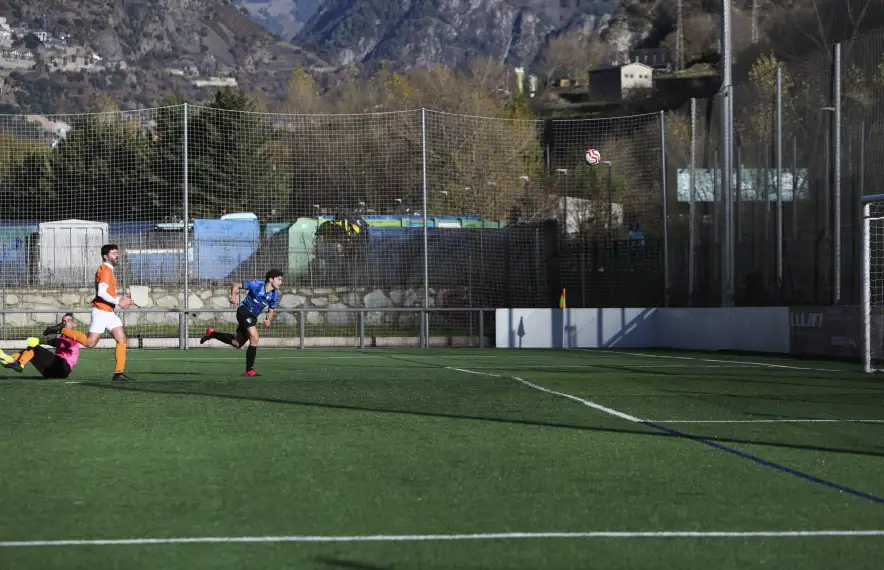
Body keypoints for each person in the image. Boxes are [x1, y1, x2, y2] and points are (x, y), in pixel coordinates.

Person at [43, 243, 135, 382]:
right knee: (90, 343)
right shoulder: (105, 270)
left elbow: (107, 293)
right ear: (106, 256)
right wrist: (118, 301)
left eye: (117, 253)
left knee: (121, 339)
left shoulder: (109, 270)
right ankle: (63, 330)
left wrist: (117, 301)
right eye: (113, 253)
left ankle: (118, 373)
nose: (117, 255)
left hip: (109, 312)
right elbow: (101, 292)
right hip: (101, 311)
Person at [200, 269, 282, 376]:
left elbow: (271, 311)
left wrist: (268, 319)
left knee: (237, 343)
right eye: (279, 279)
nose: (281, 282)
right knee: (255, 337)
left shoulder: (274, 295)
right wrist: (233, 297)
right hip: (243, 311)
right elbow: (236, 285)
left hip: (252, 317)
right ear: (271, 279)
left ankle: (211, 334)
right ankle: (249, 370)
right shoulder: (257, 284)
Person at [1, 313, 81, 379]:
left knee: (35, 347)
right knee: (31, 350)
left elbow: (59, 343)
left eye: (68, 321)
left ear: (73, 324)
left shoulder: (75, 335)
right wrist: (43, 337)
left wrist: (40, 340)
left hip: (63, 368)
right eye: (63, 321)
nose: (65, 323)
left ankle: (18, 363)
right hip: (50, 372)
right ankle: (10, 360)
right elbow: (56, 341)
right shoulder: (62, 336)